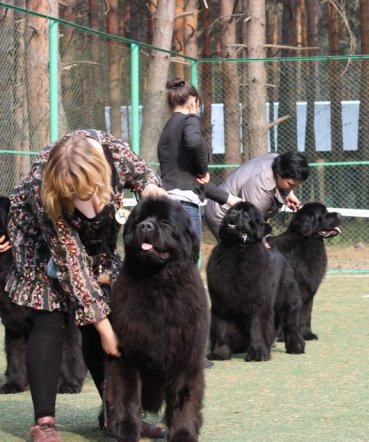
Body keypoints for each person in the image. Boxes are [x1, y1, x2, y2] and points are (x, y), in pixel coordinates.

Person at [5, 129, 169, 442]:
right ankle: (44, 423)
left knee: (105, 311)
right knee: (51, 315)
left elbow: (146, 176)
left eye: (88, 190)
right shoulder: (43, 190)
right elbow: (72, 265)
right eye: (73, 194)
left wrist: (151, 191)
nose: (86, 200)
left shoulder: (115, 153)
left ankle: (120, 418)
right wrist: (106, 331)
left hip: (96, 242)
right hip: (41, 240)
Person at [157, 77, 241, 244]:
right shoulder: (190, 120)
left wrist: (229, 199)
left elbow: (190, 181)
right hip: (185, 208)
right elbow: (194, 142)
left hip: (164, 206)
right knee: (188, 263)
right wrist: (203, 169)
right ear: (193, 101)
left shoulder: (167, 130)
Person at [203, 151, 310, 240]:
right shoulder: (261, 186)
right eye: (290, 184)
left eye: (296, 185)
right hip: (223, 213)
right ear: (279, 173)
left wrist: (288, 193)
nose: (293, 188)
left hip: (242, 212)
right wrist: (263, 244)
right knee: (238, 255)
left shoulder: (280, 160)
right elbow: (253, 223)